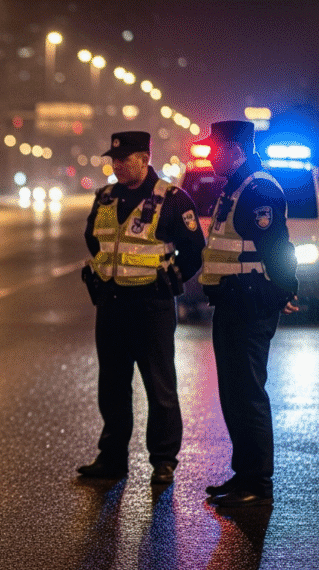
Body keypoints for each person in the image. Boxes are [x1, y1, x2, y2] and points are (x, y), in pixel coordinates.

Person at [79, 131, 205, 484]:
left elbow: (195, 249)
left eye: (124, 159)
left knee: (160, 387)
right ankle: (112, 459)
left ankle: (163, 461)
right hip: (112, 304)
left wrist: (172, 277)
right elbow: (95, 240)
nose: (117, 165)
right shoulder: (104, 198)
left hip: (152, 306)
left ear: (144, 159)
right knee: (113, 386)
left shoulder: (172, 199)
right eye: (114, 160)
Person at [197, 120, 299, 507]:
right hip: (231, 302)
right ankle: (244, 476)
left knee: (248, 392)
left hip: (249, 304)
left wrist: (284, 290)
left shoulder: (258, 188)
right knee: (234, 392)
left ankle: (257, 483)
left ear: (235, 150)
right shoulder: (237, 186)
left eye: (215, 148)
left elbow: (278, 245)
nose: (210, 155)